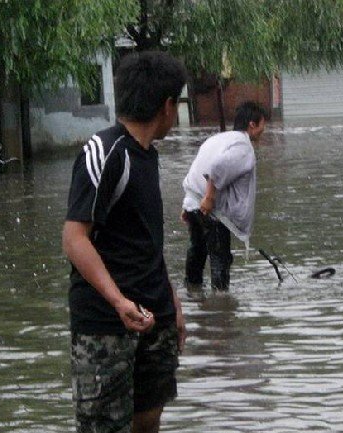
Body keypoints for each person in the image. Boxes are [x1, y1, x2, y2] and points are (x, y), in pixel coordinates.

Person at [62, 51, 187, 433]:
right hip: (105, 324)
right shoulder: (103, 153)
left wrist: (173, 303)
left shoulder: (148, 156)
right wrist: (118, 302)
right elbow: (74, 237)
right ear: (167, 106)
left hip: (155, 316)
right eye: (178, 103)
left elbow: (146, 239)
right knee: (103, 426)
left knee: (149, 418)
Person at [181, 101, 267, 291]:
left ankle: (192, 292)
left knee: (197, 251)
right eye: (262, 124)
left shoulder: (217, 139)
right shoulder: (243, 147)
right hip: (212, 211)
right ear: (252, 124)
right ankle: (221, 304)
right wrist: (210, 197)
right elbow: (217, 168)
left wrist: (187, 204)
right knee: (220, 257)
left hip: (194, 203)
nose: (264, 129)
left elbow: (197, 169)